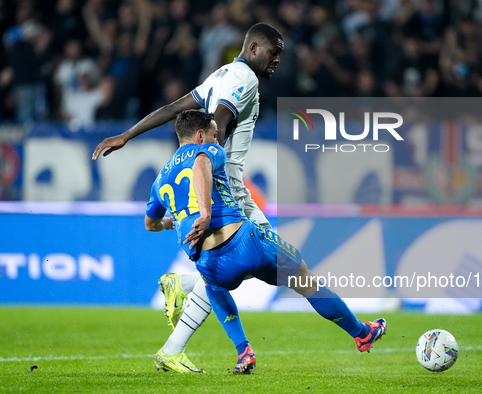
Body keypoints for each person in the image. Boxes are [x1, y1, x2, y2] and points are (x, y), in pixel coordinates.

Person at [92, 23, 284, 371]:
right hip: (232, 190)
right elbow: (220, 124)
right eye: (273, 54)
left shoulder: (220, 75)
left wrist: (128, 134)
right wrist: (211, 173)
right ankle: (358, 331)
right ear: (254, 48)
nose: (276, 62)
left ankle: (180, 328)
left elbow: (172, 109)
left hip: (221, 184)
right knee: (277, 263)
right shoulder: (246, 79)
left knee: (236, 268)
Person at [146, 110, 387, 374]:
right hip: (245, 242)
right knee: (306, 281)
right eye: (214, 135)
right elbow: (200, 164)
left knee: (213, 285)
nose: (216, 140)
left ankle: (243, 351)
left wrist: (170, 222)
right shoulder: (208, 151)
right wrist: (205, 213)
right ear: (200, 134)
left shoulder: (159, 183)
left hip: (209, 262)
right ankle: (361, 333)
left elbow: (150, 224)